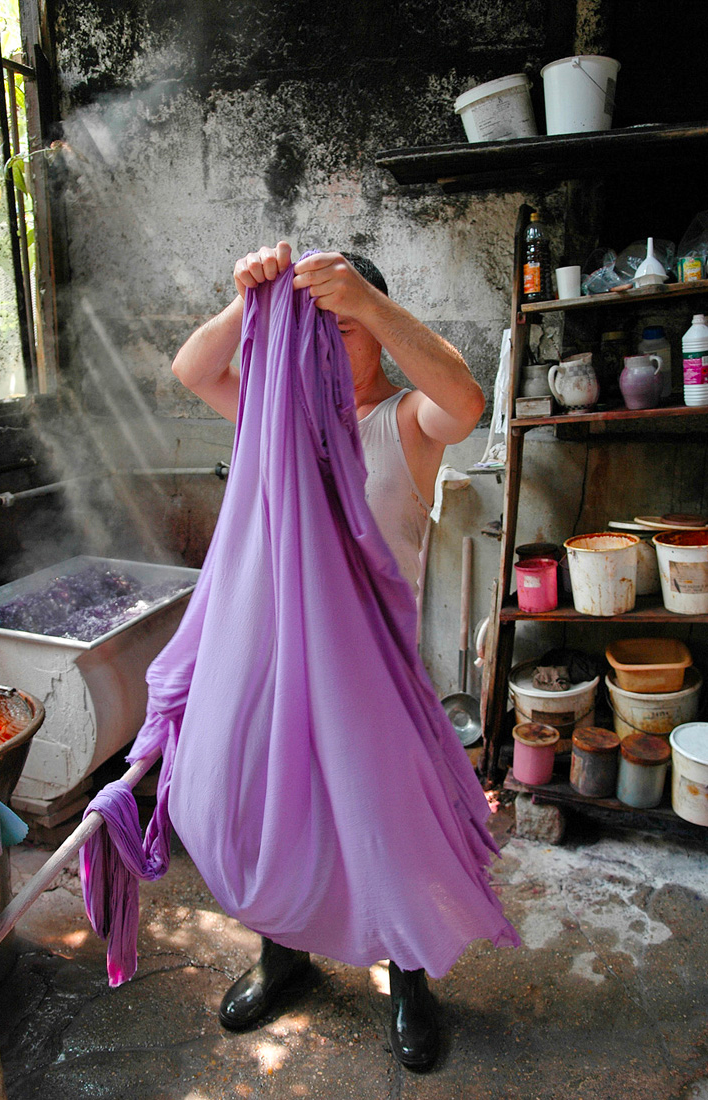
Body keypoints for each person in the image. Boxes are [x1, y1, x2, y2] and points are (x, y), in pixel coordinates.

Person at [171, 241, 486, 1071]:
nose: (319, 346)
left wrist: (366, 302)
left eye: (339, 329)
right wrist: (250, 298)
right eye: (306, 330)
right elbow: (193, 368)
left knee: (390, 833)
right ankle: (284, 959)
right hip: (277, 674)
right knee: (283, 822)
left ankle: (408, 982)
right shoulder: (277, 423)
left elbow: (465, 399)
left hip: (376, 682)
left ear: (375, 332)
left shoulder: (405, 423)